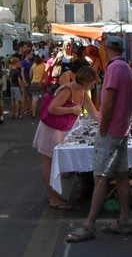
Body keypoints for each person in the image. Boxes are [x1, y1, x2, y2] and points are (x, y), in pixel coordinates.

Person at [66, 37, 132, 241]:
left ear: (107, 49)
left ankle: (88, 225)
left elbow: (109, 102)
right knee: (121, 176)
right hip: (122, 129)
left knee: (100, 178)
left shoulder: (114, 69)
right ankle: (124, 221)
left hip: (112, 130)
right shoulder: (127, 69)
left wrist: (104, 127)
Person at [33, 65, 98, 208]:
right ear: (86, 81)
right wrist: (72, 109)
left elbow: (94, 114)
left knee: (55, 163)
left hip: (61, 129)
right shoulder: (67, 90)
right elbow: (52, 109)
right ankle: (53, 197)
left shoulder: (83, 92)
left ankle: (54, 195)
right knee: (49, 163)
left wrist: (109, 123)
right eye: (92, 83)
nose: (93, 86)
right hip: (51, 129)